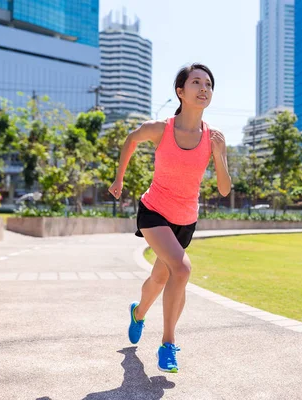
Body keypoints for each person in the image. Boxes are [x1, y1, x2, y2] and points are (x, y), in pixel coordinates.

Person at [108, 63, 231, 373]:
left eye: (208, 84)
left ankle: (138, 313)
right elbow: (131, 140)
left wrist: (218, 155)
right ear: (181, 92)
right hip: (154, 212)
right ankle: (168, 344)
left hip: (185, 220)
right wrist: (119, 179)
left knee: (161, 278)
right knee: (182, 269)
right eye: (196, 82)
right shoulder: (161, 129)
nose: (204, 88)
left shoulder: (214, 138)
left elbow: (225, 188)